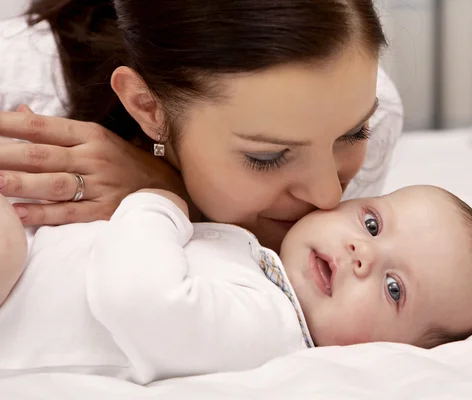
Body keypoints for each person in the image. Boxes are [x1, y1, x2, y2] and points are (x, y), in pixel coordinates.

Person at [0, 185, 472, 384]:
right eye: (372, 224)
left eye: (395, 288)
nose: (363, 254)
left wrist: (155, 205)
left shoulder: (268, 329)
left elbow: (138, 300)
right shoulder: (263, 270)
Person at [0, 0, 404, 252]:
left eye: (354, 133)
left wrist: (164, 196)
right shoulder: (20, 90)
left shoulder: (376, 108)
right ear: (147, 107)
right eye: (268, 156)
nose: (329, 196)